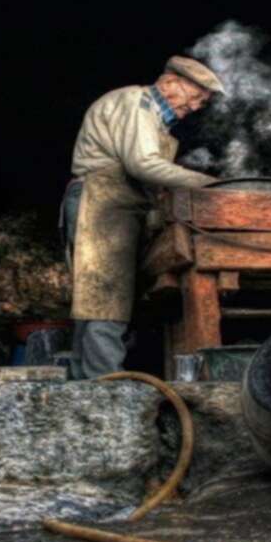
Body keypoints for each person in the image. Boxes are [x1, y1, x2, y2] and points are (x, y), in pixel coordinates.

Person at [61, 56, 225, 380]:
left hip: (109, 202)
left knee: (96, 298)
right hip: (104, 201)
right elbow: (143, 164)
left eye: (201, 103)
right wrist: (209, 184)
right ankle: (105, 383)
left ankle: (86, 382)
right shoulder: (138, 103)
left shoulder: (151, 115)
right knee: (108, 299)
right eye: (193, 97)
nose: (194, 107)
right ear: (169, 83)